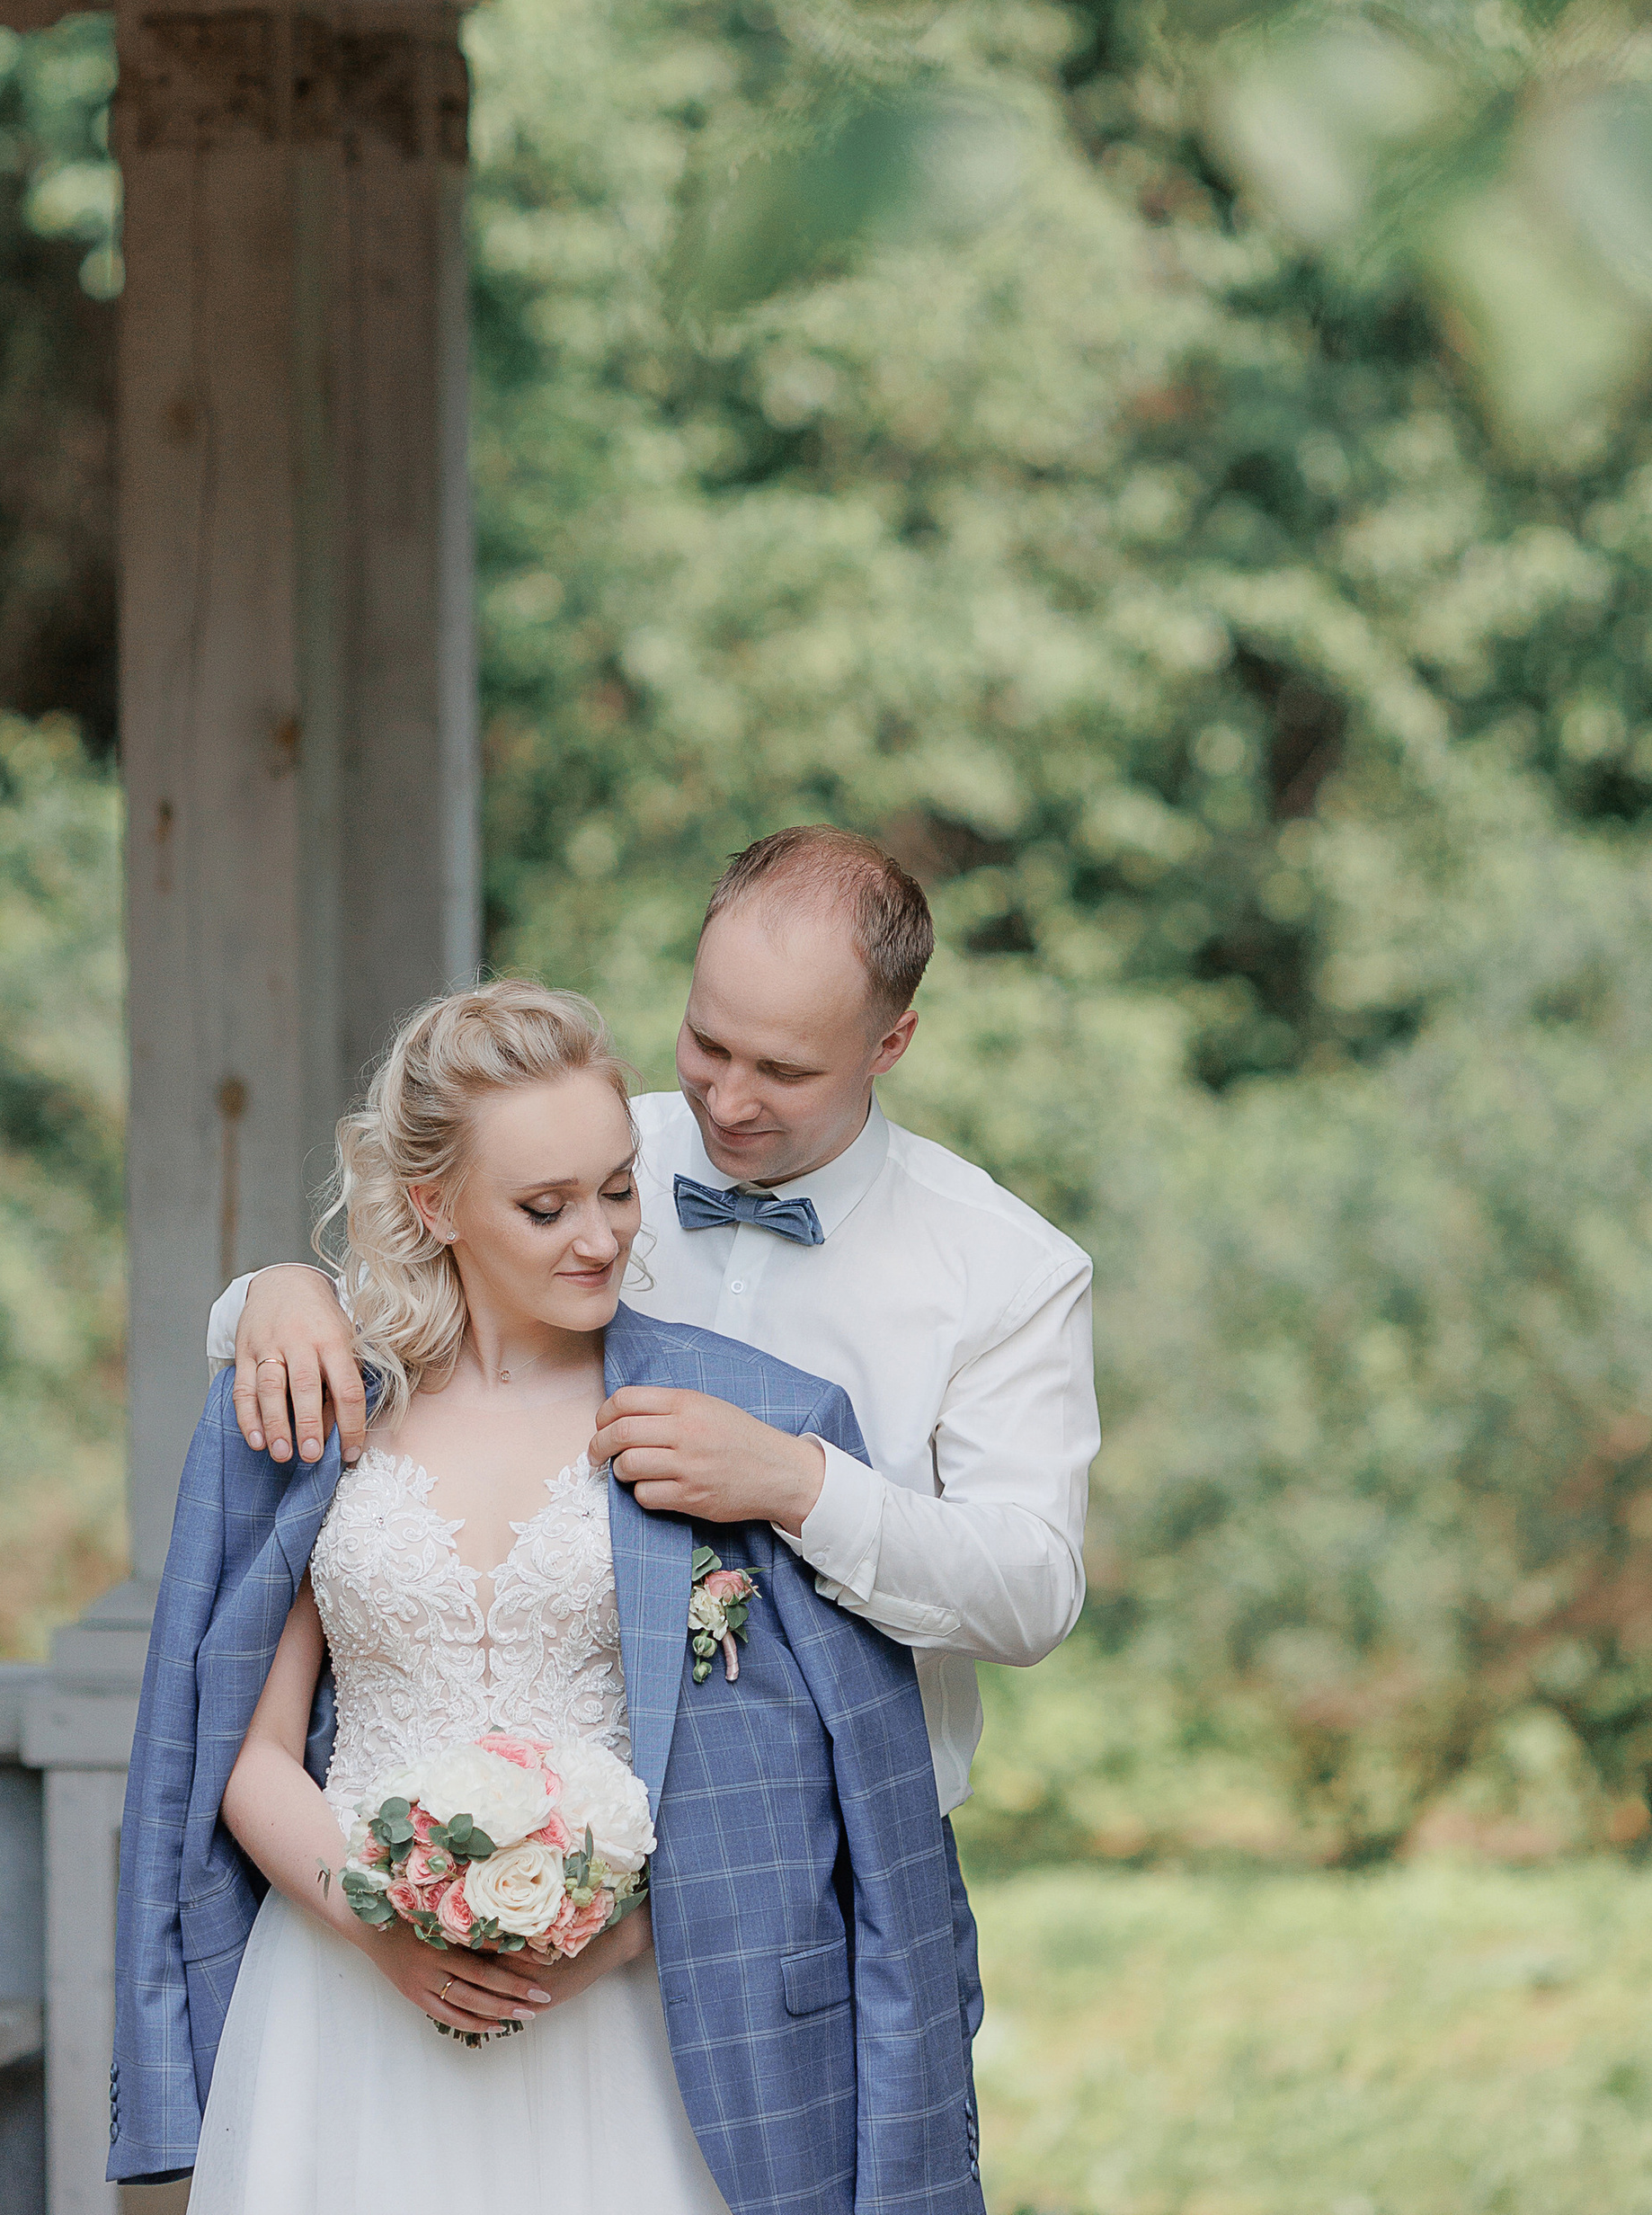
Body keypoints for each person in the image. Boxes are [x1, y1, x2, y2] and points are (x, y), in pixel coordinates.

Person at [216, 828, 1100, 2127]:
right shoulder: (585, 1153)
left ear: (891, 1044)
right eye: (707, 1044)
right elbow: (404, 1277)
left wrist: (801, 1484)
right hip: (446, 1866)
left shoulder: (1004, 1270)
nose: (730, 1100)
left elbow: (1032, 1594)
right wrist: (273, 1292)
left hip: (811, 1881)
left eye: (785, 1069)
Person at [111, 980, 983, 2215]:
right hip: (340, 2009)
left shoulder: (711, 1426)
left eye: (619, 1187)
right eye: (546, 1205)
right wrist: (379, 1927)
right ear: (434, 1205)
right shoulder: (329, 1408)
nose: (601, 1235)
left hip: (624, 2023)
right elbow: (246, 1750)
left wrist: (606, 1937)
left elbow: (795, 1781)